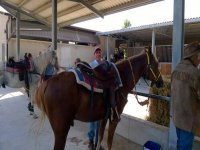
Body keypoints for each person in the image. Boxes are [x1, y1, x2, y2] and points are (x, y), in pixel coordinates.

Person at [172, 41, 200, 150]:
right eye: (198, 57)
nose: (199, 60)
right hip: (188, 120)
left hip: (177, 117)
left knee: (180, 144)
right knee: (185, 147)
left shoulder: (176, 69)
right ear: (193, 57)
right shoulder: (195, 73)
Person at [88, 45, 103, 150]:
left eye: (99, 52)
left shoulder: (104, 64)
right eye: (96, 52)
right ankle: (90, 141)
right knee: (92, 119)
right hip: (93, 95)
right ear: (94, 54)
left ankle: (97, 143)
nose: (98, 54)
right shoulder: (91, 65)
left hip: (101, 96)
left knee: (99, 120)